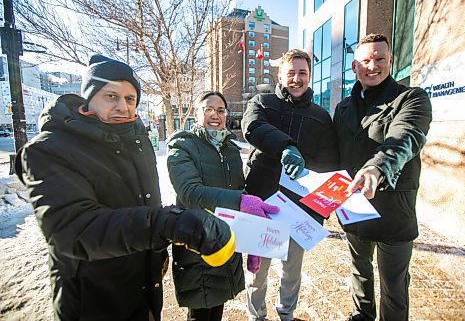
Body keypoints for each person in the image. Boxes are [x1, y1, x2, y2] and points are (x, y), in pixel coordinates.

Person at [15, 55, 236, 321]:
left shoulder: (135, 140)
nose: (122, 106)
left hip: (143, 287)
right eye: (111, 96)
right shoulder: (48, 149)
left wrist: (156, 254)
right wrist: (168, 224)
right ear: (89, 97)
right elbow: (73, 229)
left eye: (130, 99)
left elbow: (143, 203)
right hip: (93, 298)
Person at [332, 33, 432, 321]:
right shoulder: (342, 108)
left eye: (379, 59)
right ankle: (362, 315)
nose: (372, 65)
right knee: (359, 272)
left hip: (394, 213)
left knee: (394, 286)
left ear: (390, 61)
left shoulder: (412, 98)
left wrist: (377, 167)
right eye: (365, 60)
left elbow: (405, 137)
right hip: (353, 208)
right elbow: (331, 154)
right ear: (354, 66)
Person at [242, 49, 338, 321]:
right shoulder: (262, 102)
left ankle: (286, 314)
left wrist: (320, 211)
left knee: (292, 271)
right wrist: (286, 147)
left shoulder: (321, 116)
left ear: (310, 76)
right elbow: (252, 127)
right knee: (257, 271)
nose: (297, 78)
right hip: (262, 202)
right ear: (280, 75)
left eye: (303, 73)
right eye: (291, 73)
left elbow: (327, 164)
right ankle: (255, 316)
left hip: (299, 209)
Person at [167, 91, 280, 321]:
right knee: (200, 311)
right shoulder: (182, 145)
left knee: (217, 307)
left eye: (220, 110)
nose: (215, 115)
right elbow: (189, 193)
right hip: (198, 243)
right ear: (196, 112)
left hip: (227, 241)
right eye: (208, 109)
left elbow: (239, 190)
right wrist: (240, 200)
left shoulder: (229, 147)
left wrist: (252, 237)